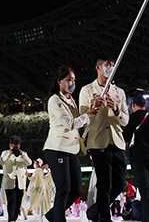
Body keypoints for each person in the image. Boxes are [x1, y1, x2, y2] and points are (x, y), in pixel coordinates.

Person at [43, 65, 97, 222]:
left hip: (72, 149)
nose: (72, 83)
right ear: (59, 81)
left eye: (74, 80)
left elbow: (78, 120)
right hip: (57, 148)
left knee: (76, 191)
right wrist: (87, 116)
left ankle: (52, 215)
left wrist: (91, 111)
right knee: (64, 189)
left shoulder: (70, 99)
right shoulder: (54, 100)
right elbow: (70, 123)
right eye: (68, 80)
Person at [79, 53, 129, 222]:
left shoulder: (119, 92)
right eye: (108, 64)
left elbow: (125, 120)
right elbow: (81, 117)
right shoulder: (86, 90)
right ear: (98, 67)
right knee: (104, 184)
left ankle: (94, 212)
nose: (111, 67)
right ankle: (105, 218)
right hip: (98, 142)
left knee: (119, 184)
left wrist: (116, 110)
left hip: (117, 141)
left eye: (113, 64)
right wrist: (92, 108)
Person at [123, 94, 149, 222]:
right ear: (145, 105)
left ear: (133, 105)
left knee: (145, 189)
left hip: (138, 159)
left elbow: (125, 142)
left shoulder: (131, 119)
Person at [0, 135, 32, 222]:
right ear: (10, 145)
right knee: (11, 201)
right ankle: (11, 219)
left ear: (19, 146)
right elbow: (1, 161)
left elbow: (29, 162)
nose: (15, 149)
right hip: (10, 180)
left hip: (20, 181)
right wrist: (9, 154)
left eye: (16, 147)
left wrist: (22, 154)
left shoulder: (23, 153)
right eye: (13, 147)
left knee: (18, 202)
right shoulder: (5, 153)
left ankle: (14, 218)